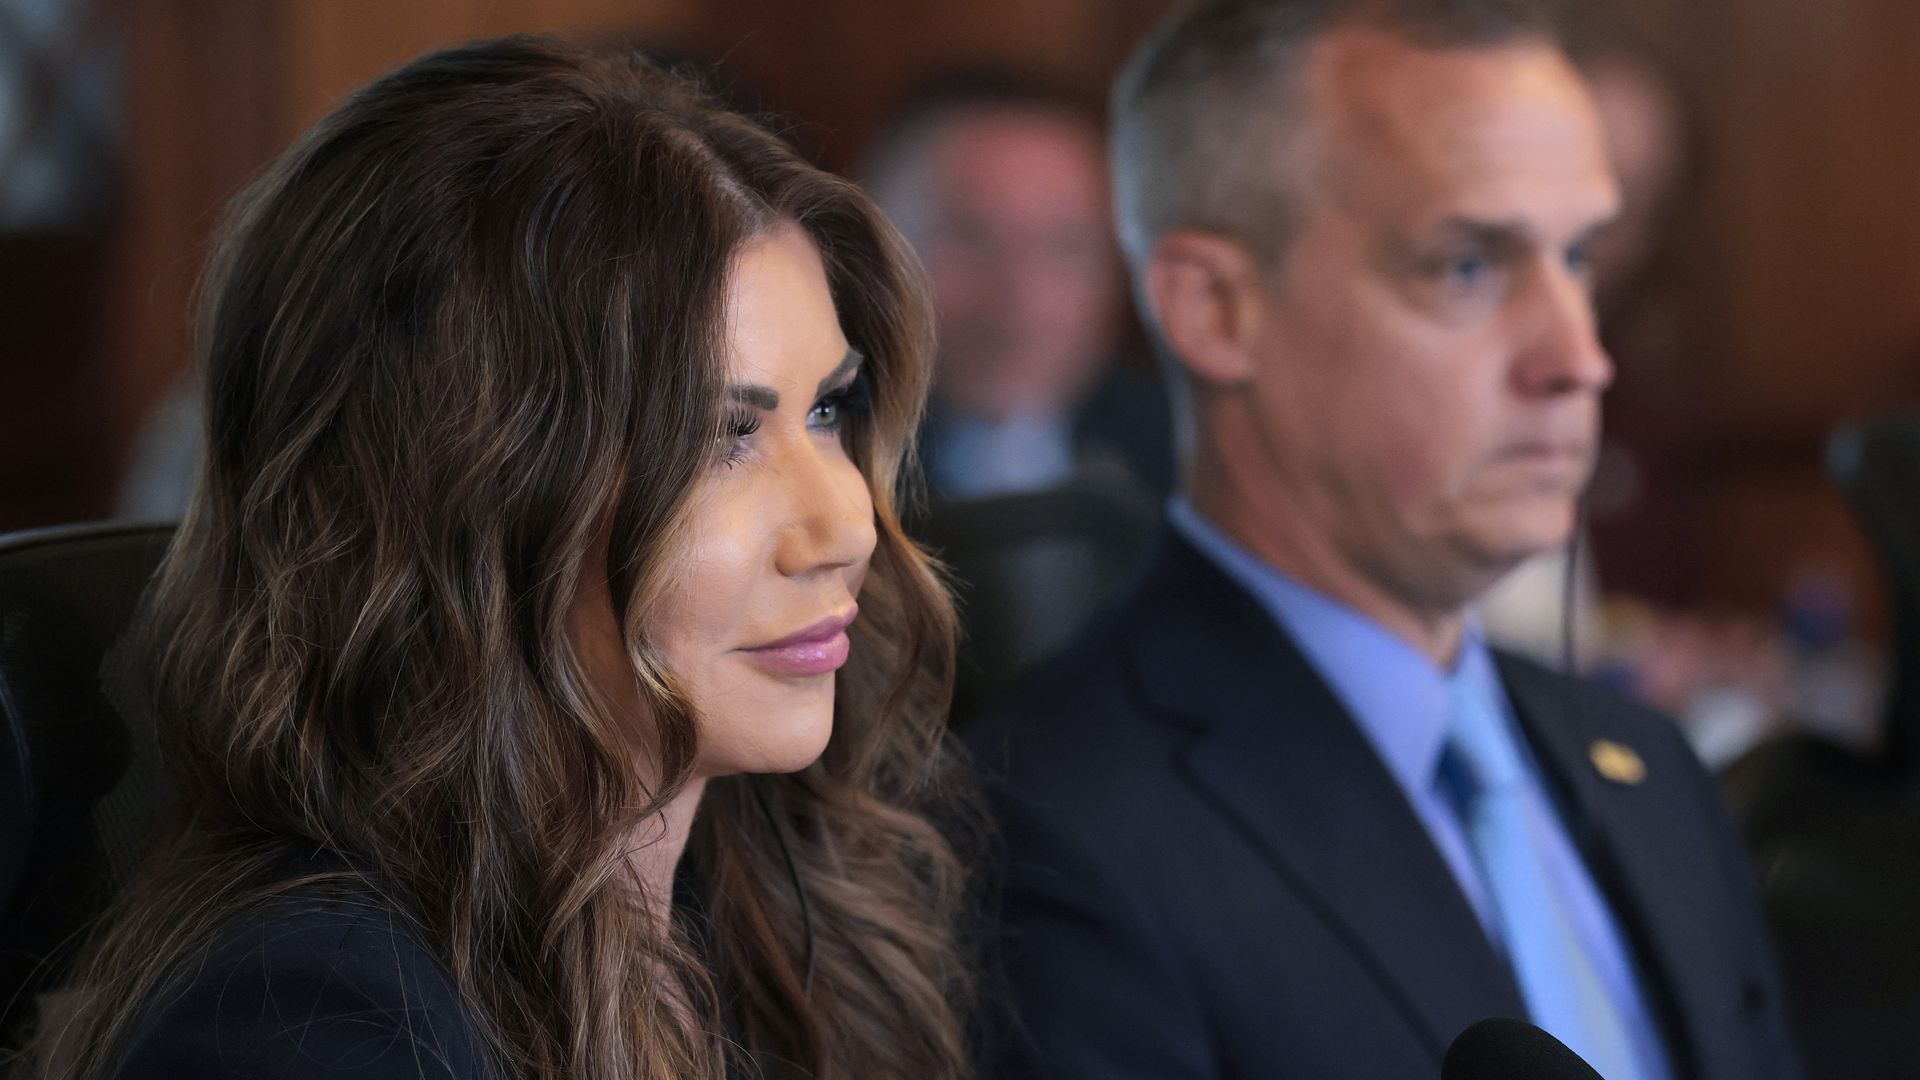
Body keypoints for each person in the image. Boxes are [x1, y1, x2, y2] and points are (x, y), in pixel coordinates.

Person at [16, 36, 973, 1080]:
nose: (846, 526)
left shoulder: (769, 911)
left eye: (829, 409)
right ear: (464, 499)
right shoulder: (313, 1021)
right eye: (717, 437)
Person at [967, 3, 1803, 1079]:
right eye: (1467, 265)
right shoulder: (1040, 833)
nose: (1577, 355)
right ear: (1216, 309)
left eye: (1579, 257)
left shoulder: (1650, 769)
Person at [862, 72, 1173, 501]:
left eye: (1066, 248)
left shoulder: (1195, 462)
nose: (1021, 301)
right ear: (875, 247)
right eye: (969, 237)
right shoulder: (815, 458)